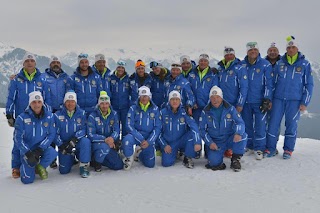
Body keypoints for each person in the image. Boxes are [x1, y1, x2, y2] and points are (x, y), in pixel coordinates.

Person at [266, 36, 313, 159]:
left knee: (291, 125)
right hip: (278, 99)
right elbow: (273, 83)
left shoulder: (304, 64)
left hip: (295, 100)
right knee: (273, 124)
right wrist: (269, 99)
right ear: (286, 49)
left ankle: (288, 149)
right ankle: (270, 148)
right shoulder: (280, 63)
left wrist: (305, 102)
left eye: (293, 47)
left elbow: (309, 84)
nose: (291, 50)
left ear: (297, 48)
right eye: (289, 47)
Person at [6, 53, 51, 178]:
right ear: (23, 64)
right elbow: (11, 97)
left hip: (38, 114)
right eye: (27, 61)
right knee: (18, 140)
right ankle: (16, 167)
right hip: (21, 115)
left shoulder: (42, 79)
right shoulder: (16, 80)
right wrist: (9, 114)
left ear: (35, 63)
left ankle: (35, 162)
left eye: (32, 61)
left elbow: (47, 99)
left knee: (37, 138)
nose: (30, 63)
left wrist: (48, 112)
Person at [199, 86, 247, 172]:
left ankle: (236, 159)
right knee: (214, 163)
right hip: (215, 142)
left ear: (222, 97)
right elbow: (202, 130)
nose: (215, 100)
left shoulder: (230, 108)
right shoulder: (205, 111)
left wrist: (238, 133)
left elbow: (239, 122)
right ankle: (213, 154)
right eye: (212, 97)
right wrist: (210, 143)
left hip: (229, 138)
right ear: (210, 98)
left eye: (218, 97)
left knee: (243, 135)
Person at [14, 91, 57, 184]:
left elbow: (51, 134)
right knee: (27, 180)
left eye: (39, 102)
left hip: (40, 148)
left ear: (42, 103)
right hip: (28, 150)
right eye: (34, 102)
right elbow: (17, 138)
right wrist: (27, 152)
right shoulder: (21, 118)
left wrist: (41, 148)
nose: (37, 105)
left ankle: (39, 166)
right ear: (30, 103)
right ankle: (25, 165)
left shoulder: (49, 116)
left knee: (52, 152)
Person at [240, 42, 273, 160]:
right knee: (247, 124)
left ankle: (259, 148)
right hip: (246, 101)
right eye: (250, 50)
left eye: (255, 49)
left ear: (258, 51)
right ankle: (249, 146)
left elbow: (269, 83)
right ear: (247, 52)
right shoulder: (242, 64)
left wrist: (267, 99)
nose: (253, 52)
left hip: (259, 101)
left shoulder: (265, 65)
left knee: (260, 125)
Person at [217, 47, 248, 158]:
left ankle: (234, 149)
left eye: (231, 54)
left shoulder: (239, 68)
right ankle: (225, 148)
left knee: (235, 125)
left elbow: (243, 87)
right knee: (224, 126)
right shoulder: (221, 69)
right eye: (227, 54)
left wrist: (240, 103)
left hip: (234, 103)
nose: (229, 56)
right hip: (221, 103)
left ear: (234, 55)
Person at [159, 91, 201, 168]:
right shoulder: (162, 113)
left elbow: (193, 126)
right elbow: (158, 131)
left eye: (177, 99)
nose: (175, 101)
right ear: (169, 100)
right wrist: (164, 145)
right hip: (169, 143)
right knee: (166, 163)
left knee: (192, 135)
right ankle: (176, 152)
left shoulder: (184, 112)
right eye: (172, 99)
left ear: (180, 100)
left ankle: (187, 156)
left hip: (181, 140)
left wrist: (197, 142)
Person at [122, 86, 161, 170]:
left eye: (146, 96)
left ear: (149, 97)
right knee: (127, 141)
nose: (144, 98)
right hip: (136, 135)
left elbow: (157, 128)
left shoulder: (155, 109)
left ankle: (139, 153)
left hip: (148, 137)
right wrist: (140, 139)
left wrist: (149, 141)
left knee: (150, 164)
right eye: (142, 96)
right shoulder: (133, 108)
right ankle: (129, 158)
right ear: (139, 97)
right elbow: (128, 125)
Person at [54, 91, 91, 177]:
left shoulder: (81, 113)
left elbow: (84, 128)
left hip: (76, 141)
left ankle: (84, 165)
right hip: (65, 144)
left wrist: (75, 138)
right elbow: (54, 132)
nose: (70, 104)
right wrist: (61, 144)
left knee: (86, 141)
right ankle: (71, 156)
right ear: (64, 102)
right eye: (68, 101)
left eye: (72, 101)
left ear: (75, 102)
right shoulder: (57, 115)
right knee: (64, 171)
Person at [43, 55, 69, 169]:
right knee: (51, 134)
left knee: (63, 133)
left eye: (58, 62)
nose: (56, 64)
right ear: (50, 65)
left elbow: (70, 91)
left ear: (61, 64)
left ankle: (66, 155)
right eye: (53, 63)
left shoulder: (66, 77)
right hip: (50, 110)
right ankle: (52, 159)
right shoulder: (44, 77)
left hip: (63, 110)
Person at [87, 91, 124, 172]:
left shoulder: (114, 114)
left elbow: (116, 130)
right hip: (97, 144)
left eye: (106, 103)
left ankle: (99, 158)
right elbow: (90, 135)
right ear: (99, 104)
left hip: (109, 143)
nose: (104, 106)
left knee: (118, 165)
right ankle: (97, 161)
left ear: (109, 104)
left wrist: (112, 138)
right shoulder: (92, 116)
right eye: (102, 103)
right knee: (104, 148)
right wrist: (104, 139)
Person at [188, 53, 219, 123]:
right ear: (198, 62)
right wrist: (192, 102)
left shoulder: (213, 75)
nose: (203, 63)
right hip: (195, 107)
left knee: (207, 126)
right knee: (196, 127)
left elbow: (214, 90)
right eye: (201, 61)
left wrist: (209, 104)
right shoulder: (192, 74)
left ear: (208, 62)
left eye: (205, 61)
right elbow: (189, 90)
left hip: (208, 107)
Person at [109, 60, 131, 141]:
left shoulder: (128, 79)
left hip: (125, 107)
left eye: (122, 68)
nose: (120, 69)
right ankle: (116, 143)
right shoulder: (111, 78)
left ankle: (124, 145)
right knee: (115, 126)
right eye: (119, 67)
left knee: (125, 127)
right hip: (114, 107)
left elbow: (131, 92)